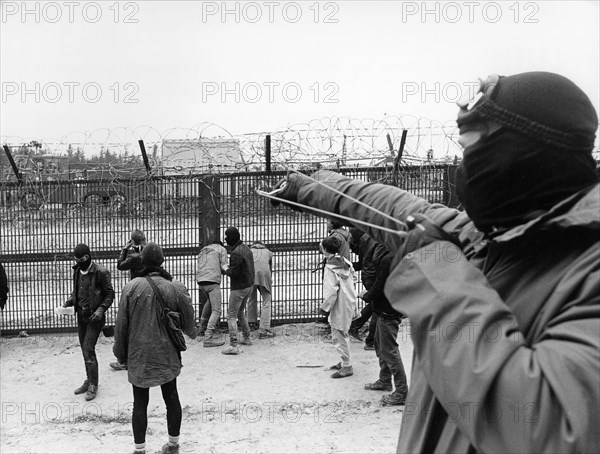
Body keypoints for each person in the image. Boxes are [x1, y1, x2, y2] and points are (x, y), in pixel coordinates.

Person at [270, 72, 600, 453]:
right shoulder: (488, 238)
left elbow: (549, 429)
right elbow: (391, 208)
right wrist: (311, 187)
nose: (467, 166)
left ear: (527, 153)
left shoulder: (587, 274)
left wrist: (437, 270)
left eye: (476, 147)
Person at [113, 242, 197, 454]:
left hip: (139, 355)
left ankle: (139, 450)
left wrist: (121, 355)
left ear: (142, 261)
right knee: (172, 398)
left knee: (139, 403)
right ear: (162, 261)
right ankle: (173, 445)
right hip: (167, 354)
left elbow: (121, 326)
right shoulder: (175, 287)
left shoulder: (131, 288)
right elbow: (190, 326)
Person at [63, 243, 115, 401]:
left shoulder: (101, 272)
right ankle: (89, 378)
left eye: (83, 259)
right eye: (77, 259)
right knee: (84, 349)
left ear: (89, 257)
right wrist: (69, 303)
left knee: (88, 348)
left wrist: (100, 310)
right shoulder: (77, 271)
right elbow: (77, 292)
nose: (80, 262)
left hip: (95, 318)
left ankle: (93, 384)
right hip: (81, 316)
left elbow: (109, 294)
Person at [361, 252, 408, 406]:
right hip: (389, 307)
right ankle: (385, 380)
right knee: (380, 345)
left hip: (388, 310)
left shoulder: (390, 258)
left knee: (389, 350)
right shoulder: (399, 255)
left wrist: (366, 296)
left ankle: (401, 392)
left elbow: (379, 286)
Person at [320, 235, 359, 379]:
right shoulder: (345, 262)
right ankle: (344, 361)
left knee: (338, 334)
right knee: (344, 331)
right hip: (349, 299)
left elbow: (331, 292)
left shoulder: (330, 267)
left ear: (324, 249)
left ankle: (347, 366)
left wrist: (325, 308)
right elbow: (354, 277)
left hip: (339, 304)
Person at [111, 229, 148, 371]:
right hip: (150, 290)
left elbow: (120, 265)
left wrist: (124, 250)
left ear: (133, 241)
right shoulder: (148, 253)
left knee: (128, 326)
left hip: (136, 291)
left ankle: (124, 361)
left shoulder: (133, 256)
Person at [348, 229, 388, 349]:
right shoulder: (382, 238)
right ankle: (371, 341)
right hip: (375, 275)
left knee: (374, 303)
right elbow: (377, 260)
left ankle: (355, 325)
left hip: (367, 274)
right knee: (378, 307)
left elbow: (362, 259)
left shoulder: (366, 236)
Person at [221, 227, 255, 355]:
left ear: (232, 238)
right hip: (249, 285)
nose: (225, 239)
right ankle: (247, 338)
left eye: (227, 236)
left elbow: (234, 273)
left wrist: (225, 269)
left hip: (239, 287)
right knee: (241, 312)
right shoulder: (246, 248)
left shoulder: (235, 253)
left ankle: (233, 345)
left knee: (231, 316)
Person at [195, 240, 228, 347]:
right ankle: (208, 337)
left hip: (201, 281)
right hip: (213, 281)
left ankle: (201, 330)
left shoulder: (203, 251)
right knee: (217, 310)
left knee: (209, 302)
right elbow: (224, 266)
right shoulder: (222, 249)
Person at [247, 241, 276, 339]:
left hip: (251, 276)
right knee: (266, 300)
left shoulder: (249, 251)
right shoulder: (268, 252)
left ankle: (251, 323)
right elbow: (269, 267)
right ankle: (264, 329)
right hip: (264, 275)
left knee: (251, 299)